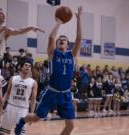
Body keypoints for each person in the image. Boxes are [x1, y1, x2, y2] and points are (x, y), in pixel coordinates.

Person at [0, 8, 44, 135]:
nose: (4, 15)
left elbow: (19, 30)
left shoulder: (6, 30)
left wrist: (31, 27)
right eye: (1, 13)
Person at [14, 6, 82, 135]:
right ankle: (22, 121)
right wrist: (59, 23)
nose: (61, 40)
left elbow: (79, 39)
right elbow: (51, 38)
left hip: (66, 94)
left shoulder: (71, 55)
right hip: (51, 92)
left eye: (64, 40)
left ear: (68, 45)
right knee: (37, 118)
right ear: (56, 44)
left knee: (71, 126)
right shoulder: (53, 54)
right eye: (59, 40)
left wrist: (78, 20)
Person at [0, 60, 37, 135]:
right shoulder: (13, 78)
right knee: (3, 132)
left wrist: (32, 113)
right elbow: (7, 93)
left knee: (20, 133)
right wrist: (1, 106)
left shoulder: (33, 82)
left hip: (23, 109)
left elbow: (33, 99)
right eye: (26, 65)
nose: (28, 67)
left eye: (29, 66)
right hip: (10, 107)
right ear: (21, 67)